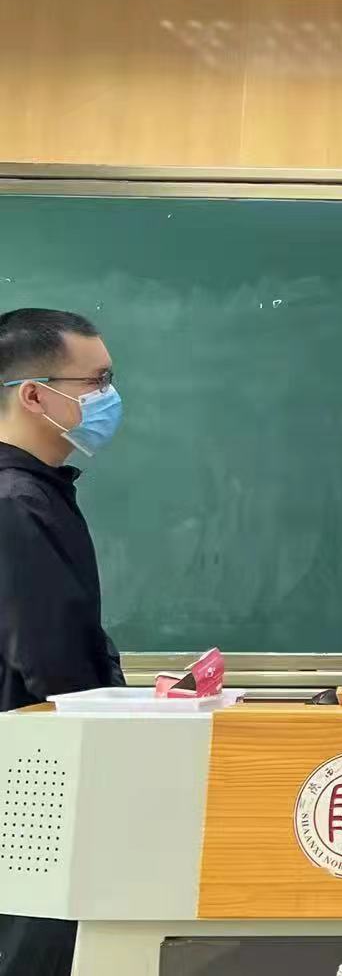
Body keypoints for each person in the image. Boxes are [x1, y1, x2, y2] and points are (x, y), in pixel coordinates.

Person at [0, 308, 126, 976]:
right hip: (34, 793)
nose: (109, 398)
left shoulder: (36, 493)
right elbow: (54, 665)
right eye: (96, 381)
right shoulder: (15, 503)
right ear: (33, 395)